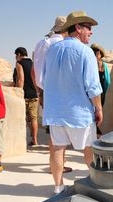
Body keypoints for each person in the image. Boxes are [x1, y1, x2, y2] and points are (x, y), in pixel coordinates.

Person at [41, 10, 103, 194]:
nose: (91, 32)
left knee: (58, 150)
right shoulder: (85, 52)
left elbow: (43, 79)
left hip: (55, 111)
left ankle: (58, 187)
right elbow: (92, 86)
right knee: (89, 150)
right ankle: (95, 185)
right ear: (78, 27)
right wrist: (98, 108)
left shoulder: (52, 50)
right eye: (88, 28)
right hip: (79, 112)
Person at [31, 16, 73, 174]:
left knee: (53, 130)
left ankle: (55, 164)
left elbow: (34, 72)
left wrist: (39, 91)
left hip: (46, 91)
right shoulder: (61, 45)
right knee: (61, 132)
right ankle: (58, 165)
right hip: (60, 91)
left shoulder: (41, 43)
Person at [13, 47, 39, 146]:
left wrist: (18, 93)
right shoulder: (33, 63)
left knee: (21, 118)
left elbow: (21, 79)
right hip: (34, 94)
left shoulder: (19, 64)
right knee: (34, 118)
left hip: (24, 95)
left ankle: (20, 141)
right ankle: (35, 140)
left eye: (16, 55)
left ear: (19, 54)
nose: (16, 58)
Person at [90, 43, 110, 136]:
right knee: (97, 115)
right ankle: (97, 134)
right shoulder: (104, 65)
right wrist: (104, 91)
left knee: (92, 114)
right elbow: (107, 81)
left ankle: (96, 134)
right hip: (100, 94)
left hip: (90, 93)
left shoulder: (90, 64)